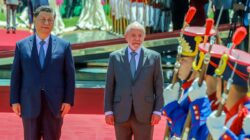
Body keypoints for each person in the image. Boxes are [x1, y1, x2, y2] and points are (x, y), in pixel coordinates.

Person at [10, 6, 75, 140]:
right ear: (34, 19)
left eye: (50, 20)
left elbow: (70, 76)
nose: (46, 23)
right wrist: (14, 100)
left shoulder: (64, 46)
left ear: (54, 21)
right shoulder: (21, 46)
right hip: (29, 103)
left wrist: (68, 101)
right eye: (43, 19)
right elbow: (16, 75)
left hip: (54, 105)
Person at [104, 21, 164, 140]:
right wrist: (108, 111)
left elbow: (159, 86)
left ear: (144, 37)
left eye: (140, 35)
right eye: (133, 35)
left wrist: (157, 110)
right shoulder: (114, 57)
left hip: (145, 113)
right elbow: (109, 86)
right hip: (120, 112)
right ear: (126, 37)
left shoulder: (154, 57)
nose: (137, 39)